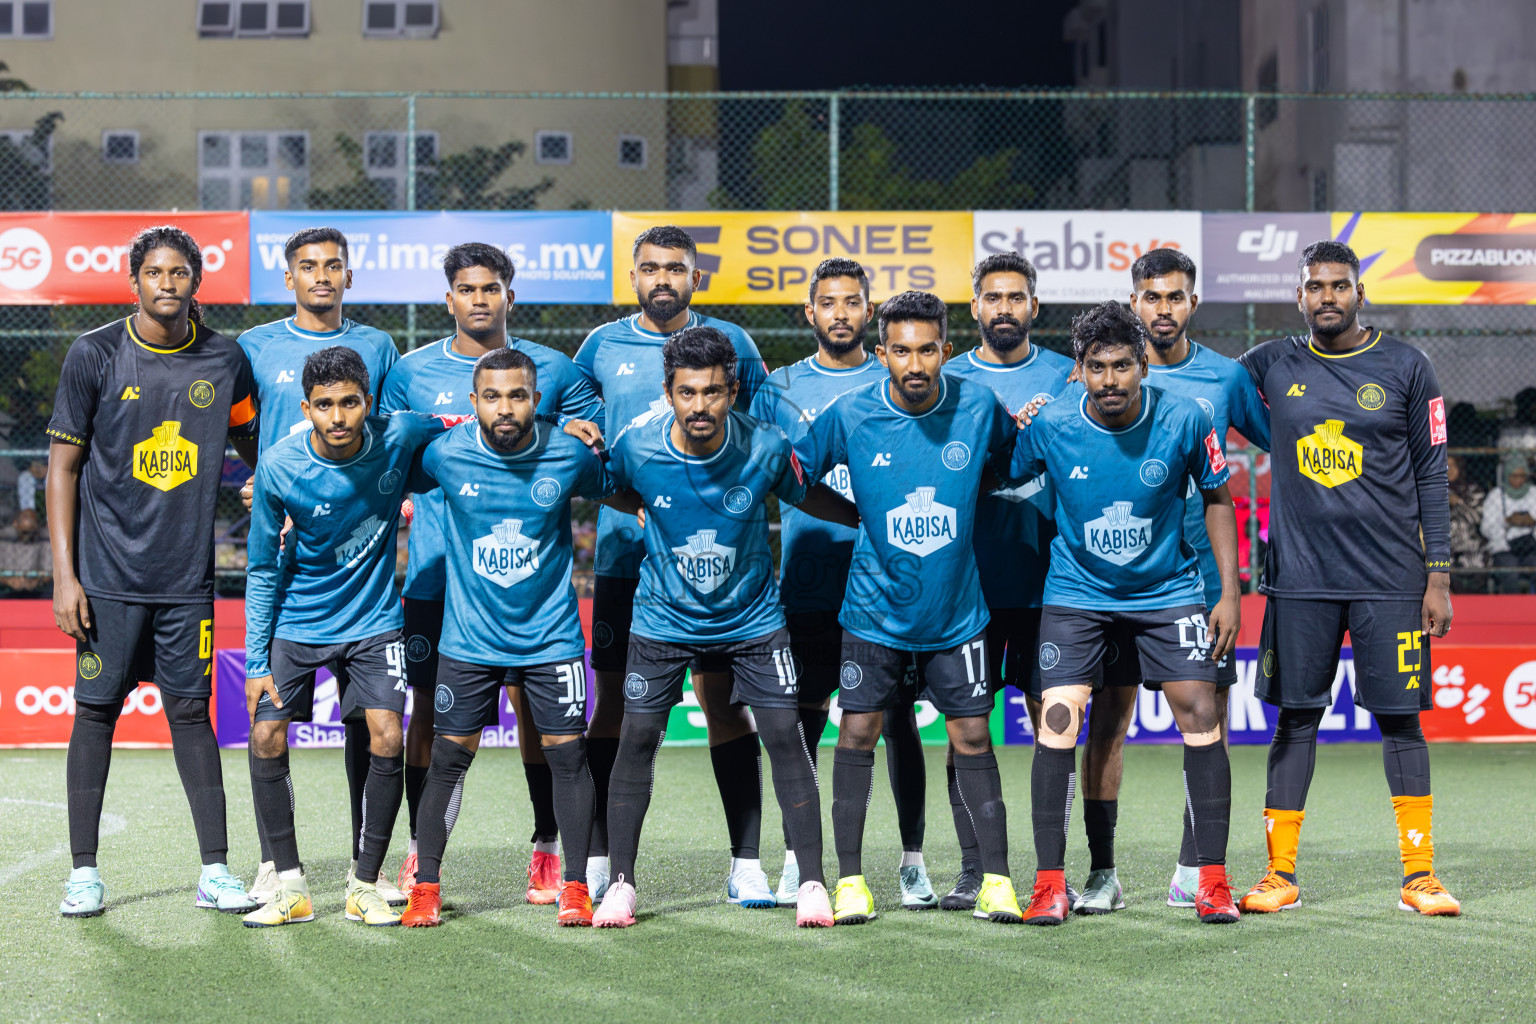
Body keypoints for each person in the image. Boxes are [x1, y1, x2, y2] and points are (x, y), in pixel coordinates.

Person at [589, 326, 857, 929]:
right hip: (662, 620)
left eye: (713, 392)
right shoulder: (636, 447)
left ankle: (812, 881)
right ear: (668, 392)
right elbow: (601, 485)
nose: (700, 406)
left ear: (732, 390)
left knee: (787, 737)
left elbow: (806, 492)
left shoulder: (765, 445)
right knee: (635, 740)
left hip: (752, 619)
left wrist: (868, 520)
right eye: (687, 393)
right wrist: (633, 502)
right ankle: (622, 886)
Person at [1237, 240, 1458, 917]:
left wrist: (1439, 573)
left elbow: (1431, 471)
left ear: (1361, 293)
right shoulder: (1272, 362)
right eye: (1315, 286)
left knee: (1401, 722)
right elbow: (1198, 381)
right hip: (1300, 579)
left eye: (1339, 285)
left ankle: (1419, 876)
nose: (1327, 296)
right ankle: (1280, 875)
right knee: (1296, 720)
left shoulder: (1407, 366)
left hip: (1390, 579)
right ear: (1299, 296)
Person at [46, 225, 260, 918]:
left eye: (179, 273)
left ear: (196, 282)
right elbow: (62, 469)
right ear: (133, 280)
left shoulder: (226, 360)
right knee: (95, 713)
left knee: (192, 715)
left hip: (186, 583)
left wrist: (267, 483)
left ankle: (216, 871)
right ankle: (84, 873)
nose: (167, 284)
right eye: (155, 273)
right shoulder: (94, 353)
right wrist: (63, 576)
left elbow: (255, 441)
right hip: (104, 579)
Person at [381, 242, 602, 904]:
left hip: (531, 592)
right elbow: (389, 456)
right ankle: (421, 856)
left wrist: (591, 432)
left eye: (491, 288)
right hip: (435, 575)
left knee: (539, 716)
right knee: (431, 717)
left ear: (511, 295)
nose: (479, 298)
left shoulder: (554, 371)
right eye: (466, 289)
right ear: (447, 299)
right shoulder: (410, 372)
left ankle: (547, 849)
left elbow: (596, 437)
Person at [1011, 299, 1241, 926]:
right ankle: (1051, 885)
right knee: (1060, 716)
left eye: (1121, 365)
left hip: (1167, 590)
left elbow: (1218, 496)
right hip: (1078, 591)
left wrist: (1229, 591)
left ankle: (1212, 882)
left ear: (1143, 364)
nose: (1109, 380)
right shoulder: (1052, 422)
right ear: (1078, 370)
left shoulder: (1186, 418)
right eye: (1095, 367)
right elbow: (997, 475)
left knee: (1200, 709)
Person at [804, 290, 1025, 926]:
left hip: (957, 613)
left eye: (927, 349)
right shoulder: (851, 413)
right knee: (857, 733)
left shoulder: (979, 405)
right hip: (874, 613)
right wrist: (852, 515)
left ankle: (997, 882)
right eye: (900, 350)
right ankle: (850, 882)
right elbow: (793, 474)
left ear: (946, 351)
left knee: (974, 737)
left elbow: (1015, 460)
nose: (915, 363)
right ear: (881, 354)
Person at [1063, 248, 1271, 914]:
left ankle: (1194, 868)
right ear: (1134, 303)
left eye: (1175, 297)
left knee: (1206, 719)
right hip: (1112, 583)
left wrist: (1235, 585)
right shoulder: (1102, 376)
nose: (1163, 308)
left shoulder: (1225, 380)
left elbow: (1281, 448)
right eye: (1151, 297)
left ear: (1193, 304)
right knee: (1108, 723)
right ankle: (1103, 870)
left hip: (1199, 584)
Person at [570, 226, 772, 905]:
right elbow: (578, 430)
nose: (664, 278)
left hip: (718, 574)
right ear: (634, 277)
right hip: (630, 564)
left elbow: (764, 426)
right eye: (651, 268)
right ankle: (601, 855)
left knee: (724, 709)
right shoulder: (600, 345)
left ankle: (746, 862)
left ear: (696, 277)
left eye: (676, 268)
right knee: (616, 712)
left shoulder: (734, 346)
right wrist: (582, 441)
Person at [400, 348, 634, 927]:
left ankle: (575, 886)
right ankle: (425, 887)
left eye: (518, 396)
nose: (506, 408)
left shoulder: (567, 453)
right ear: (473, 402)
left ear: (536, 400)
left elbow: (624, 487)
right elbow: (375, 478)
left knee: (569, 760)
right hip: (469, 643)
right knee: (448, 762)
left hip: (550, 640)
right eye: (493, 397)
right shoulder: (445, 454)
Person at [241, 347, 454, 928]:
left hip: (374, 620)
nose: (338, 417)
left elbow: (467, 420)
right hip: (297, 619)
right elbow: (261, 568)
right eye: (326, 406)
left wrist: (553, 425)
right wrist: (255, 658)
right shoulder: (281, 466)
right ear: (307, 408)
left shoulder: (398, 431)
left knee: (387, 735)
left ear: (368, 404)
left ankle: (364, 883)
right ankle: (288, 886)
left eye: (350, 403)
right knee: (265, 736)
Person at [748, 257, 935, 910]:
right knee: (800, 724)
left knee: (898, 722)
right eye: (827, 302)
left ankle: (912, 862)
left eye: (852, 302)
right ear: (810, 313)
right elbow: (766, 470)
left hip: (890, 586)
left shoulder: (899, 377)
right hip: (808, 585)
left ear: (869, 311)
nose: (840, 313)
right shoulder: (778, 389)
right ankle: (801, 859)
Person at [236, 225, 404, 907]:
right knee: (271, 728)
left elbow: (399, 429)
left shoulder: (379, 346)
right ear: (289, 279)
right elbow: (240, 427)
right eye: (309, 267)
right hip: (288, 542)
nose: (323, 277)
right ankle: (278, 867)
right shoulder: (255, 346)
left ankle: (368, 866)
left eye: (334, 266)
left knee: (374, 727)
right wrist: (259, 483)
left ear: (349, 276)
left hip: (361, 555)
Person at [940, 252, 1073, 910]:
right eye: (992, 297)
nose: (1003, 308)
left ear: (1034, 307)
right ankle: (974, 869)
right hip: (968, 588)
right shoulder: (951, 377)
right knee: (967, 729)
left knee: (1055, 725)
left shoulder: (1068, 376)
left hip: (1054, 585)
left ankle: (1054, 872)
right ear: (974, 307)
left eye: (1015, 297)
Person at [1482, 452, 1535, 594]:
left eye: (1522, 476)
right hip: (1504, 548)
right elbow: (1486, 527)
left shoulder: (1533, 493)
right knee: (1510, 574)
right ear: (1507, 474)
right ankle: (1515, 612)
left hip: (1530, 547)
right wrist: (1507, 521)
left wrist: (1531, 521)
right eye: (1514, 476)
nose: (1518, 480)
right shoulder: (1496, 495)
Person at [1446, 454, 1488, 593]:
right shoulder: (1434, 492)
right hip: (1446, 550)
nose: (1449, 469)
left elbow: (1476, 517)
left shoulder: (1473, 491)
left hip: (1471, 548)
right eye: (1446, 466)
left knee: (1478, 564)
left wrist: (1457, 502)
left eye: (1453, 465)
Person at [0, 508, 50, 594]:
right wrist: (8, 581)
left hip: (37, 591)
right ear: (15, 523)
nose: (27, 536)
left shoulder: (43, 542)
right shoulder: (4, 540)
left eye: (31, 532)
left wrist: (38, 581)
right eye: (24, 532)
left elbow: (51, 572)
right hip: (5, 590)